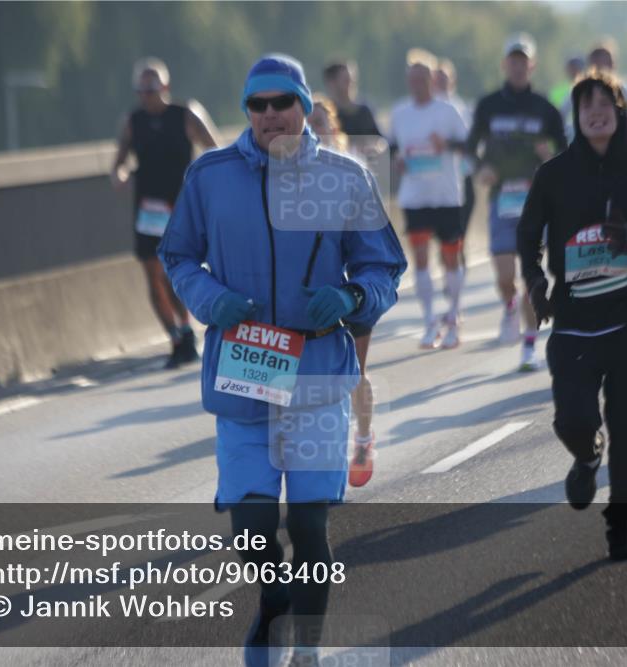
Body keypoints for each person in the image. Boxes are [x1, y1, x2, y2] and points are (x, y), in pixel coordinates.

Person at [158, 54, 405, 667]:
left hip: (319, 380)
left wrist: (350, 297)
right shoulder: (210, 177)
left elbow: (382, 268)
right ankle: (273, 606)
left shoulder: (346, 178)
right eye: (257, 105)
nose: (270, 115)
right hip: (244, 379)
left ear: (303, 105)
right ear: (246, 111)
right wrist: (212, 300)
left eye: (282, 102)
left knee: (312, 531)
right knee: (252, 531)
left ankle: (307, 653)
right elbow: (178, 257)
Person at [518, 70, 627, 561]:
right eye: (587, 106)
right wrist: (537, 283)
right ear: (577, 116)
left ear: (620, 111)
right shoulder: (553, 175)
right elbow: (527, 235)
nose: (596, 112)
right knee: (572, 419)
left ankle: (620, 523)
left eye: (605, 103)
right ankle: (586, 456)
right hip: (574, 318)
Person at [466, 33, 567, 370]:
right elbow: (470, 147)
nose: (518, 66)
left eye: (524, 60)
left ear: (532, 65)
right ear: (505, 65)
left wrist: (548, 154)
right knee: (504, 275)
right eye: (513, 60)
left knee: (529, 276)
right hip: (501, 198)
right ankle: (509, 306)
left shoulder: (545, 108)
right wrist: (482, 169)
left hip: (535, 201)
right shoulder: (488, 105)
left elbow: (567, 152)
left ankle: (528, 344)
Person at [111, 57, 218, 368]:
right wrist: (118, 174)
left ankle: (189, 330)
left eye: (152, 89)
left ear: (166, 87)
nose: (146, 96)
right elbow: (118, 161)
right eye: (141, 91)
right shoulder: (133, 121)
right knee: (152, 274)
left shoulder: (186, 115)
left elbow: (215, 152)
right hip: (148, 208)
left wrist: (209, 184)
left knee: (175, 271)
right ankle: (176, 337)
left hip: (181, 205)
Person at [307, 95, 377, 488]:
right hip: (312, 293)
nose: (314, 130)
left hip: (352, 288)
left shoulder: (353, 170)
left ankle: (363, 439)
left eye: (321, 123)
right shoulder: (287, 173)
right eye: (308, 123)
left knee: (354, 373)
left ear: (334, 129)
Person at [389, 49, 470, 350]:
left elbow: (468, 144)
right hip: (414, 196)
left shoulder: (447, 111)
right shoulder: (400, 113)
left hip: (447, 194)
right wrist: (396, 159)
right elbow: (392, 147)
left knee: (451, 257)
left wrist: (445, 143)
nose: (417, 84)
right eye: (412, 79)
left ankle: (453, 313)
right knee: (420, 260)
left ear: (432, 79)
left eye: (423, 78)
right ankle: (429, 321)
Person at [433, 57, 477, 274]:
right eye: (437, 79)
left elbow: (471, 142)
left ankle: (457, 249)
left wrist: (449, 144)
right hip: (438, 177)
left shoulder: (462, 107)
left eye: (445, 78)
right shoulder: (426, 109)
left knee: (462, 221)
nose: (441, 83)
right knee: (447, 228)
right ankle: (450, 256)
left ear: (453, 80)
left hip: (463, 173)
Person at [321, 60, 382, 140]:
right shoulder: (324, 114)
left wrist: (377, 147)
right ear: (332, 82)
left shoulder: (364, 112)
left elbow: (381, 141)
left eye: (353, 79)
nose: (351, 83)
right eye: (346, 80)